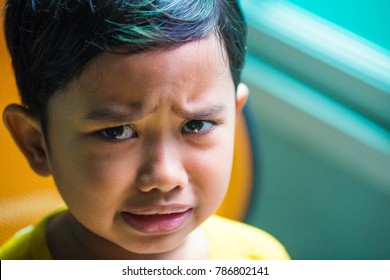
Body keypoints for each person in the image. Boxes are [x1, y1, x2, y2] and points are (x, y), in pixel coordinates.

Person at [0, 0, 289, 260]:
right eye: (117, 132)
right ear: (36, 143)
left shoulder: (260, 258)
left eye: (195, 125)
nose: (164, 176)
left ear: (234, 116)